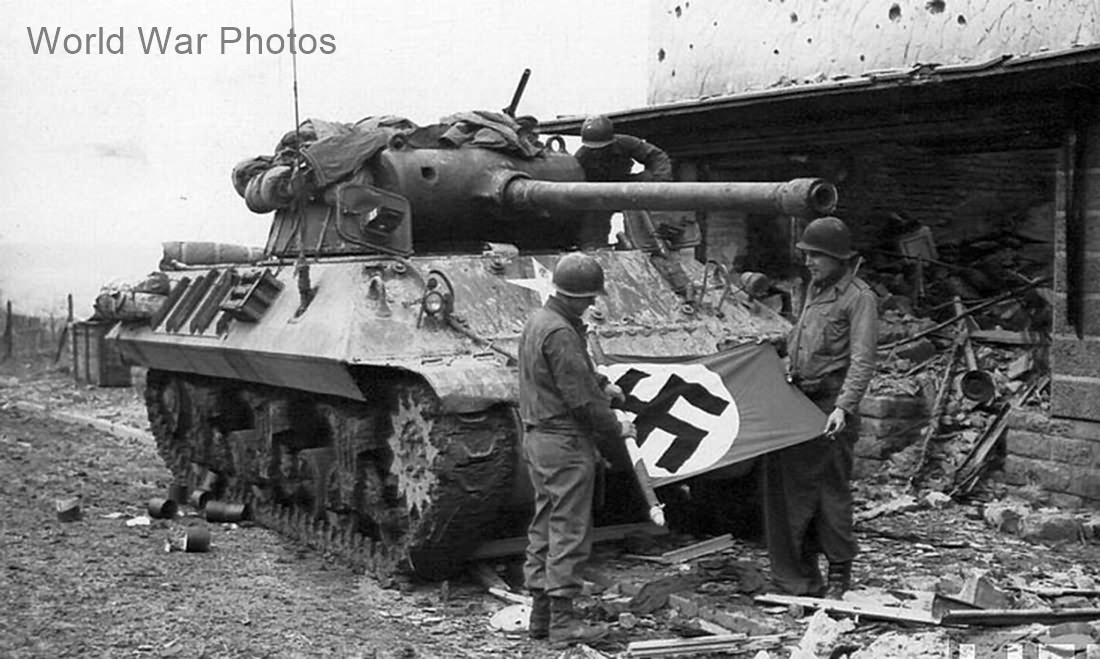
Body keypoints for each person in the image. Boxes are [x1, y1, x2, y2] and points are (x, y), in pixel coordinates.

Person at [518, 252, 635, 646]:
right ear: (574, 296)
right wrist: (616, 424)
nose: (592, 304)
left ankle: (541, 616)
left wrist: (601, 382)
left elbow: (567, 375)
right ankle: (564, 624)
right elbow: (580, 400)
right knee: (569, 528)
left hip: (539, 438)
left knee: (545, 524)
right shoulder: (563, 332)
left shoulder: (540, 321)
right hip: (564, 441)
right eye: (588, 298)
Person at [761, 216, 878, 599]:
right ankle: (801, 574)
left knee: (831, 493)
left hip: (831, 408)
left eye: (817, 256)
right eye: (807, 254)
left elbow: (862, 360)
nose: (809, 261)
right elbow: (801, 337)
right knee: (794, 494)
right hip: (801, 402)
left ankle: (840, 575)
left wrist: (843, 408)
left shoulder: (859, 298)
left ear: (839, 259)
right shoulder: (814, 287)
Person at [573, 114, 672, 249]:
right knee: (593, 220)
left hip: (626, 186)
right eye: (594, 149)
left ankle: (649, 242)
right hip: (599, 192)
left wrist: (659, 184)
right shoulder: (581, 157)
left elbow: (657, 157)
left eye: (602, 148)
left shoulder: (625, 143)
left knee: (647, 181)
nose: (598, 152)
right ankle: (594, 247)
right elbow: (577, 184)